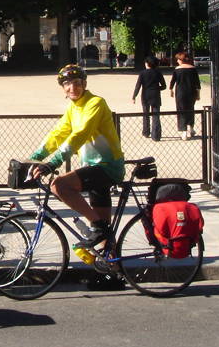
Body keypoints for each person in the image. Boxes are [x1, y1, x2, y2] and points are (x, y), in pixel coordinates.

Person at [28, 64, 125, 255]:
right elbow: (58, 134)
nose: (72, 88)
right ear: (62, 88)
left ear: (84, 84)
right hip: (92, 168)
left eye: (77, 83)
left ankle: (97, 227)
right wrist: (34, 158)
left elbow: (80, 134)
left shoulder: (95, 103)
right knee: (105, 232)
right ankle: (113, 271)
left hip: (107, 167)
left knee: (59, 185)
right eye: (67, 84)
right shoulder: (73, 108)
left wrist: (53, 163)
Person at [132, 55, 166, 141]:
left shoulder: (142, 73)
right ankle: (156, 135)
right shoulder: (158, 72)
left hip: (145, 95)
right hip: (155, 95)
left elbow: (138, 86)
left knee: (146, 114)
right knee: (156, 115)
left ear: (147, 64)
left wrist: (134, 96)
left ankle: (146, 132)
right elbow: (164, 86)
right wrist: (156, 88)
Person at [169, 51, 201, 140]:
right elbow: (197, 83)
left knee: (181, 111)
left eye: (178, 59)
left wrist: (171, 90)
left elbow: (172, 81)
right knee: (190, 109)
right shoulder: (193, 69)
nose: (177, 61)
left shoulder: (177, 69)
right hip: (191, 92)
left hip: (180, 92)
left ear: (181, 60)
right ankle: (191, 128)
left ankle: (184, 131)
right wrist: (198, 94)